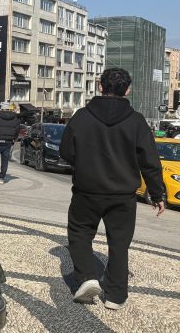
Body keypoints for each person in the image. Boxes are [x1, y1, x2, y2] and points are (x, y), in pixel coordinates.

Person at [60, 68, 166, 310]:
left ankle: (87, 276)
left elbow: (66, 152)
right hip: (123, 194)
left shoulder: (81, 117)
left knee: (79, 233)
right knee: (119, 243)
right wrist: (157, 194)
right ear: (127, 90)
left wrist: (85, 164)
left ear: (100, 86)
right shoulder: (137, 120)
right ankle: (116, 297)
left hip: (87, 190)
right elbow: (149, 160)